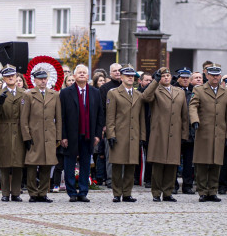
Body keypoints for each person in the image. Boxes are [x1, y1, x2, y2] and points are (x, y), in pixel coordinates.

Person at [140, 67, 189, 201]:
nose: (166, 77)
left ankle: (168, 192)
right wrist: (154, 82)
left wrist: (184, 134)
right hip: (159, 132)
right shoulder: (155, 89)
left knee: (172, 164)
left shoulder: (179, 92)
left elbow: (184, 115)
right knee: (158, 164)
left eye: (168, 75)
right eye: (163, 76)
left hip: (175, 133)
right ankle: (156, 193)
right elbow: (145, 97)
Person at [58, 64, 104, 202]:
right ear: (74, 76)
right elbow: (62, 116)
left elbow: (100, 115)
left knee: (85, 164)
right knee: (69, 164)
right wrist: (63, 136)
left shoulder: (95, 92)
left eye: (84, 72)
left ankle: (83, 191)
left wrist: (97, 134)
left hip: (89, 134)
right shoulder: (66, 93)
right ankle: (71, 192)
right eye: (79, 72)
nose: (82, 74)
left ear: (88, 76)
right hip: (71, 134)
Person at [189, 65, 227, 202]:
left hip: (219, 132)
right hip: (203, 131)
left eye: (217, 75)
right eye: (212, 75)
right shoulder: (199, 90)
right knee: (202, 163)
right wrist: (195, 121)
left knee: (216, 163)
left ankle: (213, 191)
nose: (215, 77)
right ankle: (202, 191)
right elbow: (193, 106)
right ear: (207, 76)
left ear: (220, 76)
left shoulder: (225, 92)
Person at [21, 68, 62, 202]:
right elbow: (24, 118)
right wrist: (26, 136)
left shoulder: (54, 94)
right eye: (40, 79)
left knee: (47, 164)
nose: (43, 81)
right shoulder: (28, 94)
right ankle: (33, 193)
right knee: (32, 165)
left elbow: (59, 118)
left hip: (49, 135)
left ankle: (43, 192)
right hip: (35, 135)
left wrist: (58, 136)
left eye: (45, 78)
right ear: (35, 80)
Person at [106, 66, 145, 203]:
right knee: (117, 165)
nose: (130, 78)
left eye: (132, 76)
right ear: (121, 77)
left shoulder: (138, 95)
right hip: (119, 134)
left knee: (131, 165)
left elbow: (141, 118)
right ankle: (117, 193)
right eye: (127, 76)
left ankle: (127, 193)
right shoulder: (114, 93)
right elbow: (110, 116)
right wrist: (111, 134)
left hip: (134, 135)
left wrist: (142, 136)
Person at [0, 66, 25, 201]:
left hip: (19, 128)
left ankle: (16, 192)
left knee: (18, 162)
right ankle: (5, 193)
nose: (11, 78)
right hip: (5, 128)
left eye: (12, 76)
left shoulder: (24, 93)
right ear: (4, 79)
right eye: (8, 76)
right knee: (4, 162)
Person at [174, 68, 196, 194]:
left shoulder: (194, 92)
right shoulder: (174, 91)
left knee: (189, 162)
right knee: (175, 160)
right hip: (177, 131)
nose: (185, 80)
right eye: (183, 78)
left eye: (187, 78)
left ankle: (187, 185)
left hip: (190, 132)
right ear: (178, 78)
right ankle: (173, 185)